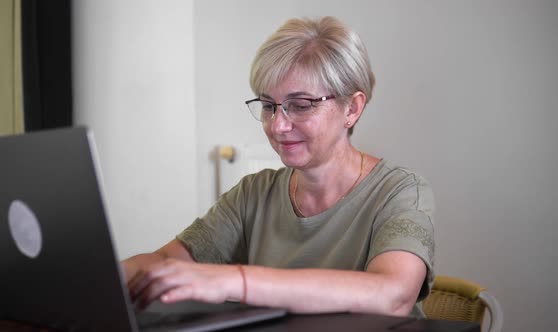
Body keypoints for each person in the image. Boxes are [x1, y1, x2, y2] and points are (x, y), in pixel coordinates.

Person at [124, 16, 434, 318]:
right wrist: (100, 275)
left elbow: (392, 295)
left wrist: (232, 281)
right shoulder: (254, 194)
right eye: (269, 106)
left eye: (300, 105)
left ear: (351, 108)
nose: (278, 125)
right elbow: (165, 262)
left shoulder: (401, 191)